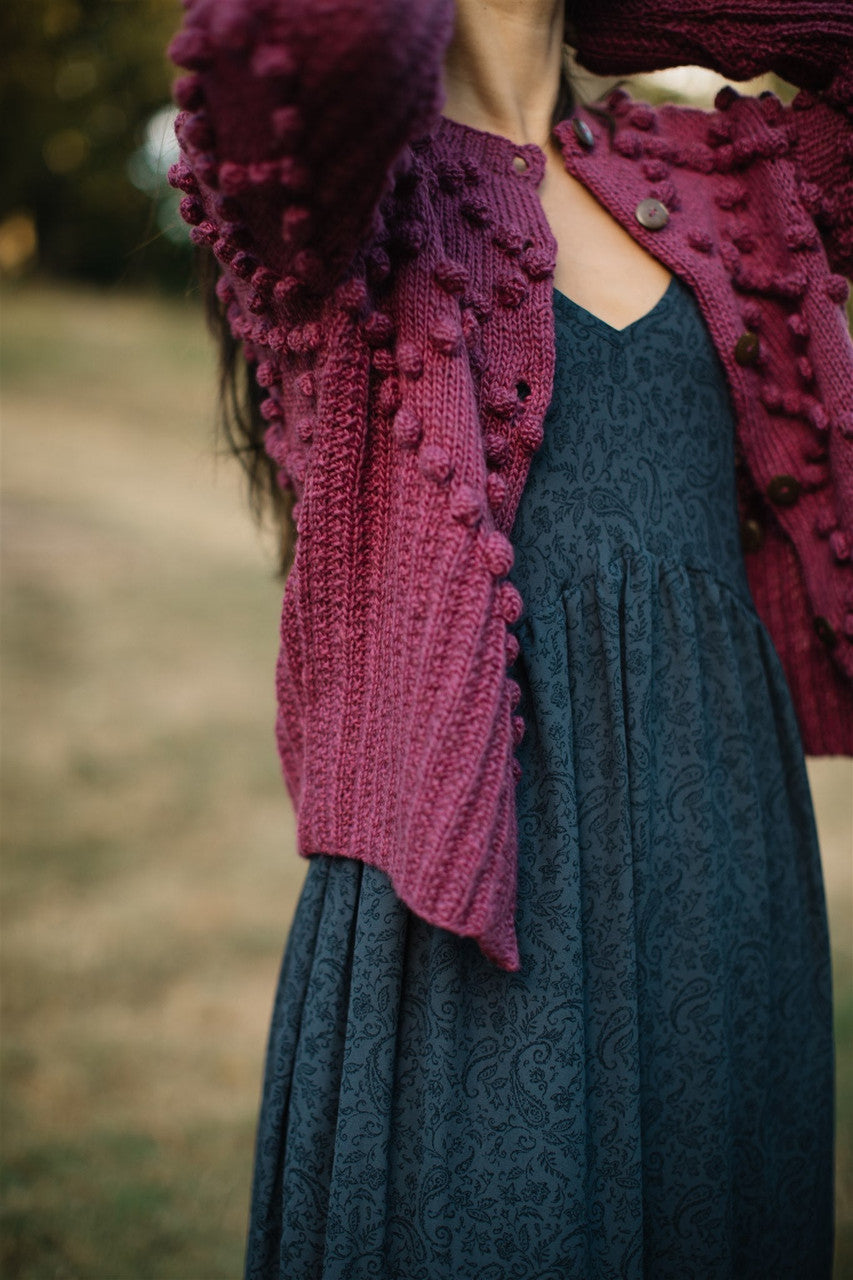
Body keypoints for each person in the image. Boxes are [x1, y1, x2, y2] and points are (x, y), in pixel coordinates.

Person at [166, 1, 853, 1275]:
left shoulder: (704, 175)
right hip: (484, 884)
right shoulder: (341, 200)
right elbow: (298, 43)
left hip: (725, 873)